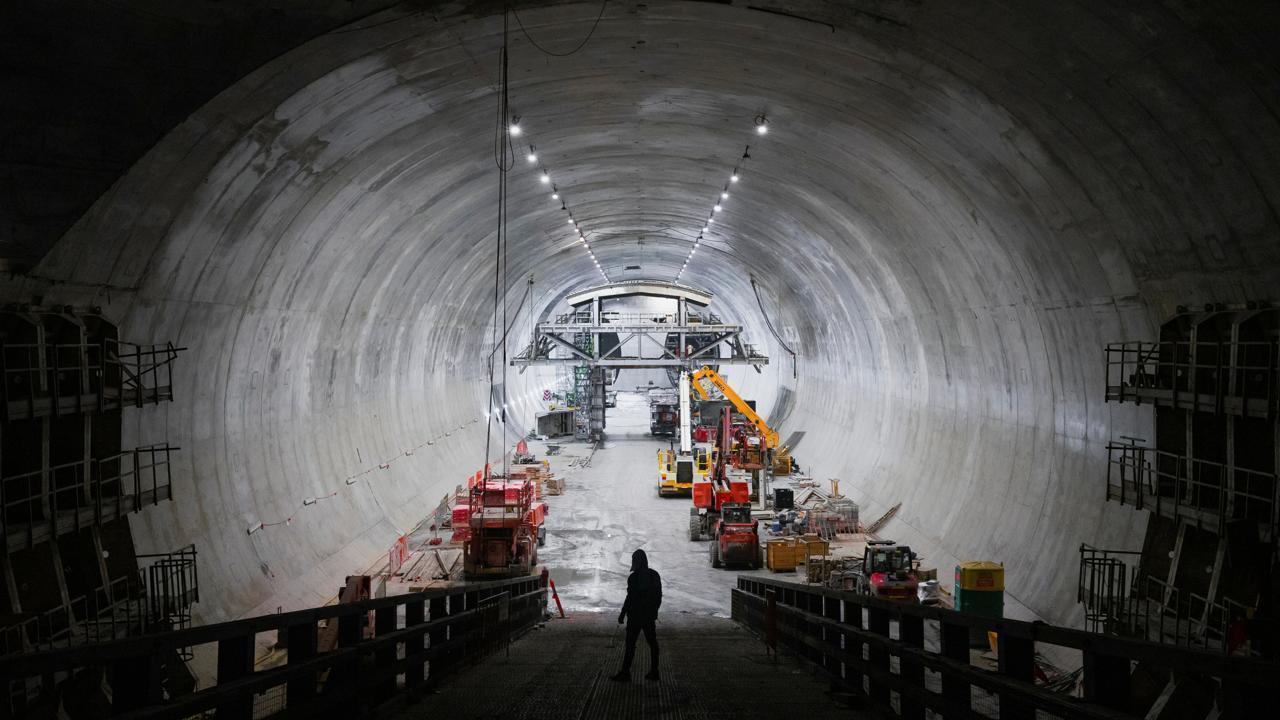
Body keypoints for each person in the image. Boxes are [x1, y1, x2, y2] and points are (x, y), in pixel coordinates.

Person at [610, 548, 662, 682]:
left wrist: (623, 613)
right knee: (652, 643)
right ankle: (655, 671)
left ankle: (625, 672)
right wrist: (654, 611)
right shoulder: (654, 575)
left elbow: (630, 598)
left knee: (630, 645)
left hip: (635, 616)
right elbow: (658, 596)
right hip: (648, 616)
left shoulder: (633, 578)